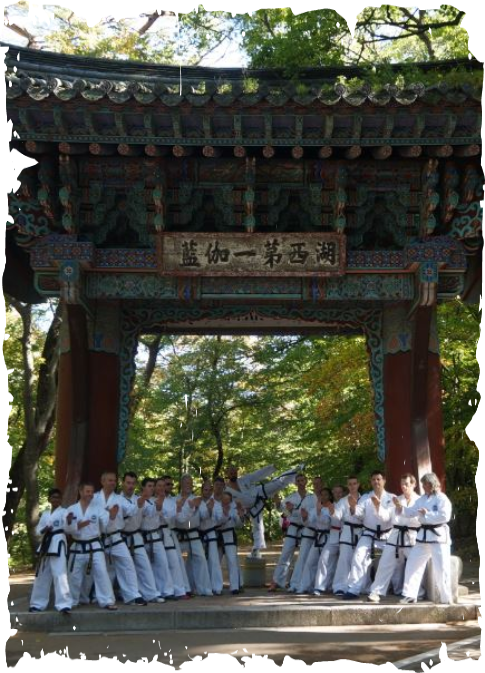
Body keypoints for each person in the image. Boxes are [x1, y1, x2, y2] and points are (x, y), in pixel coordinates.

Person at [225, 462, 304, 557]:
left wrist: (271, 467)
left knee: (277, 483)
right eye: (231, 473)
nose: (233, 474)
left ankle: (294, 471)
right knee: (257, 526)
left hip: (258, 493)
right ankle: (257, 548)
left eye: (234, 472)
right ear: (227, 474)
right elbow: (228, 503)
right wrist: (241, 511)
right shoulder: (225, 489)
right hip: (246, 508)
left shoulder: (244, 480)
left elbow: (258, 474)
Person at [398, 472, 453, 604]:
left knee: (442, 567)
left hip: (438, 536)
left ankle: (446, 597)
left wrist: (427, 514)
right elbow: (412, 512)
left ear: (431, 484)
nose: (423, 486)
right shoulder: (421, 499)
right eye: (422, 484)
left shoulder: (442, 498)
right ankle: (410, 595)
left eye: (425, 484)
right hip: (423, 537)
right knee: (412, 563)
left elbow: (445, 516)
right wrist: (400, 508)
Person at [93, 471, 147, 606]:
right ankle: (96, 596)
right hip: (97, 538)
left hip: (115, 536)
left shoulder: (119, 499)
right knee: (101, 568)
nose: (113, 483)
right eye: (110, 480)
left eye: (114, 480)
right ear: (102, 481)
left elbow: (131, 510)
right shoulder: (94, 498)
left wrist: (140, 502)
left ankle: (133, 595)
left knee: (127, 562)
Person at [367, 473, 421, 603]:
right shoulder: (397, 499)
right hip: (395, 534)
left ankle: (415, 593)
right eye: (402, 484)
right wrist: (378, 507)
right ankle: (376, 592)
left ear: (414, 484)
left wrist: (402, 511)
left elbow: (419, 520)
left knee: (414, 565)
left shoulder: (419, 500)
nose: (404, 487)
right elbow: (390, 519)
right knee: (385, 563)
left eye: (406, 484)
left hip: (411, 535)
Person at [342, 471, 396, 600]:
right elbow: (360, 514)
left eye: (378, 479)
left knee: (386, 563)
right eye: (373, 479)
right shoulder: (366, 498)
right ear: (370, 482)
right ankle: (354, 589)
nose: (376, 482)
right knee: (359, 557)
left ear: (384, 481)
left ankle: (388, 590)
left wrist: (378, 507)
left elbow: (389, 518)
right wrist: (353, 508)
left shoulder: (391, 498)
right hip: (369, 534)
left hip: (386, 537)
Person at [65, 482, 117, 610]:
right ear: (81, 492)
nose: (90, 494)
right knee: (74, 575)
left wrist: (111, 515)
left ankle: (107, 601)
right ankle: (72, 601)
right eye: (87, 491)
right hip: (77, 546)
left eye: (92, 492)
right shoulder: (71, 509)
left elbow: (106, 524)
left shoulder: (98, 508)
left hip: (94, 545)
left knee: (101, 572)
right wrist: (76, 525)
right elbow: (66, 529)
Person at [120, 472, 165, 603]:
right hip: (121, 537)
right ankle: (126, 594)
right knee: (120, 569)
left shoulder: (139, 499)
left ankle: (151, 594)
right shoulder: (118, 499)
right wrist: (142, 499)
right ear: (123, 483)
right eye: (128, 483)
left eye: (133, 483)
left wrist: (160, 500)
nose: (130, 486)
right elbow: (129, 511)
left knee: (144, 565)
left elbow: (151, 512)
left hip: (136, 535)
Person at [29, 488, 72, 614]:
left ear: (61, 499)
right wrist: (45, 530)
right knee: (42, 574)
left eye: (58, 497)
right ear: (49, 499)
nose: (56, 499)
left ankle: (64, 604)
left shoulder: (64, 512)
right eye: (53, 497)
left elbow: (68, 528)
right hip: (46, 544)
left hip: (58, 543)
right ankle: (37, 604)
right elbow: (38, 530)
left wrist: (69, 521)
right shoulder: (45, 514)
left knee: (60, 574)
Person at [268, 473, 314, 591]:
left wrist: (296, 512)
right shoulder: (291, 497)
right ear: (295, 483)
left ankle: (299, 581)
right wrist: (278, 503)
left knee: (303, 556)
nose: (301, 482)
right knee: (285, 554)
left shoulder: (312, 498)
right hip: (293, 528)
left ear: (306, 481)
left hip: (306, 528)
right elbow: (282, 511)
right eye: (298, 481)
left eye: (302, 480)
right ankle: (276, 581)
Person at [175, 474, 213, 596]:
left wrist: (209, 509)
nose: (189, 485)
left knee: (200, 559)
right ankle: (181, 588)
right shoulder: (175, 499)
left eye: (190, 483)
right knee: (176, 560)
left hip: (193, 533)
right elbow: (177, 518)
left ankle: (204, 589)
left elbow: (204, 515)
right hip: (178, 534)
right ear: (181, 484)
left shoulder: (197, 500)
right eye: (186, 483)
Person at [332, 476, 364, 596]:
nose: (352, 486)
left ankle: (361, 586)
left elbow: (367, 516)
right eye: (350, 484)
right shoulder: (342, 501)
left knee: (360, 560)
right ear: (347, 486)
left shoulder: (365, 499)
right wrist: (332, 511)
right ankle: (340, 586)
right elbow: (337, 516)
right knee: (344, 559)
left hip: (361, 531)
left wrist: (354, 509)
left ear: (358, 484)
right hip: (347, 531)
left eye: (354, 483)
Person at [214, 491, 245, 594]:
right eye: (224, 499)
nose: (225, 501)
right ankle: (216, 586)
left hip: (230, 535)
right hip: (218, 536)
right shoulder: (216, 507)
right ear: (221, 499)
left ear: (230, 500)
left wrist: (241, 516)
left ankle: (235, 587)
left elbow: (239, 525)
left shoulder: (233, 509)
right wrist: (225, 514)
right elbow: (215, 522)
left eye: (227, 500)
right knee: (216, 562)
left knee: (232, 561)